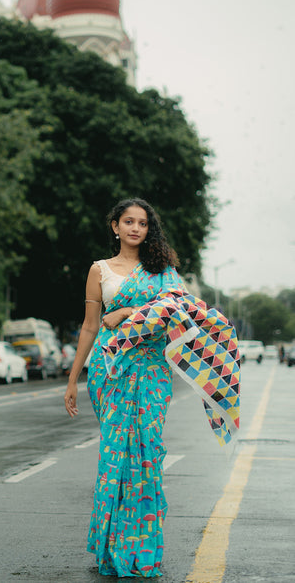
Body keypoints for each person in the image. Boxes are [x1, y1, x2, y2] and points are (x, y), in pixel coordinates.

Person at [64, 198, 240, 578]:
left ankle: (141, 553)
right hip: (109, 371)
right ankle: (111, 552)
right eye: (128, 221)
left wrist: (128, 313)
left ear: (149, 229)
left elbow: (179, 315)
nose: (135, 229)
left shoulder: (165, 273)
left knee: (146, 455)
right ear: (115, 226)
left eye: (142, 223)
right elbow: (90, 327)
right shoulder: (100, 271)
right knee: (115, 459)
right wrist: (72, 378)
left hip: (154, 373)